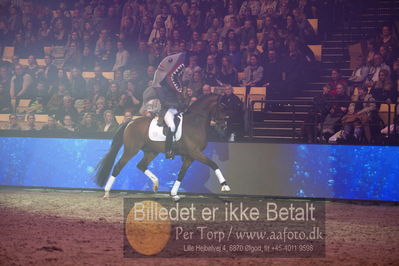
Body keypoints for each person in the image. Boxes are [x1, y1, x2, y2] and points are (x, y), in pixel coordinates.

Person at [153, 52, 186, 159]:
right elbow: (164, 102)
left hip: (176, 110)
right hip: (167, 111)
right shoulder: (160, 87)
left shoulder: (175, 88)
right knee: (172, 126)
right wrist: (177, 104)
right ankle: (168, 151)